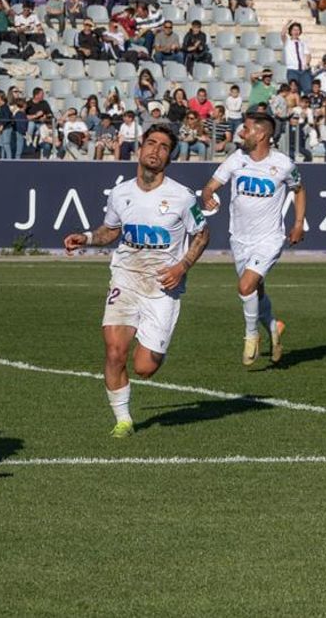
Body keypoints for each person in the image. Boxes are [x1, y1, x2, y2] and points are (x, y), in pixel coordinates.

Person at [64, 125, 210, 438]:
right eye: (151, 143)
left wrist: (182, 266)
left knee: (144, 367)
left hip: (162, 285)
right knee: (114, 351)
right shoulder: (121, 193)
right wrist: (86, 237)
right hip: (126, 277)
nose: (156, 150)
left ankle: (156, 342)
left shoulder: (182, 197)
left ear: (169, 157)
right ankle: (123, 420)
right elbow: (111, 231)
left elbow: (202, 234)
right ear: (140, 148)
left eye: (164, 147)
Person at [199, 107, 307, 366]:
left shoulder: (283, 164)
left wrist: (298, 224)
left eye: (245, 129)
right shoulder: (236, 159)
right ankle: (273, 326)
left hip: (269, 238)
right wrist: (208, 195)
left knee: (245, 286)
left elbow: (299, 190)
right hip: (239, 238)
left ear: (260, 135)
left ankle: (251, 336)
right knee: (255, 292)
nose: (240, 133)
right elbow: (210, 186)